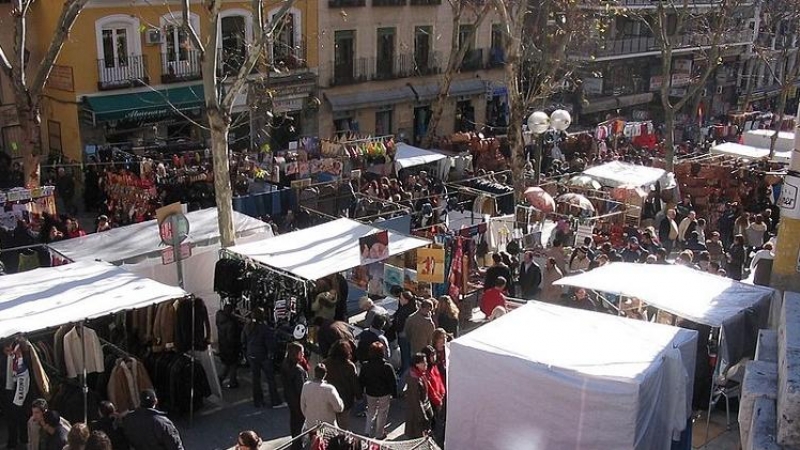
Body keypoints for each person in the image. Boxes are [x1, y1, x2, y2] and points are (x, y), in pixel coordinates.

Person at [241, 308, 283, 408]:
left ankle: (258, 401)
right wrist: (272, 354)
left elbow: (243, 340)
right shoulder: (264, 328)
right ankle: (275, 401)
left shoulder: (247, 327)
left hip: (251, 354)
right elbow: (270, 344)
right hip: (263, 355)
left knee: (256, 379)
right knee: (270, 379)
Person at [359, 342, 398, 439]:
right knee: (382, 412)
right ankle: (379, 433)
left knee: (370, 412)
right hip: (384, 393)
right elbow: (393, 382)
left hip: (370, 392)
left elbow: (361, 380)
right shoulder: (387, 367)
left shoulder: (365, 365)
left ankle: (368, 431)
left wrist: (360, 392)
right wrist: (395, 394)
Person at [322, 340, 361, 430]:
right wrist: (359, 396)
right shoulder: (349, 366)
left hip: (329, 399)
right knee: (343, 426)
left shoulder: (325, 363)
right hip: (345, 399)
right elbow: (354, 382)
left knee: (330, 425)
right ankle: (341, 441)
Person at [281, 342, 308, 450]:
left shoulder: (285, 364)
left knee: (294, 420)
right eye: (302, 352)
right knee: (300, 423)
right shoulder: (298, 370)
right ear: (296, 353)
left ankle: (294, 441)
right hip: (298, 400)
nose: (303, 354)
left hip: (289, 397)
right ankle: (298, 444)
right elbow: (301, 389)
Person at [300, 364, 345, 429]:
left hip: (311, 426)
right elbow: (339, 408)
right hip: (328, 426)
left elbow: (303, 406)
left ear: (314, 372)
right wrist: (341, 401)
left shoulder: (306, 386)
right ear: (325, 374)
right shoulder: (329, 389)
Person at [404, 353, 434, 439]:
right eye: (423, 362)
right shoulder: (414, 379)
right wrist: (424, 418)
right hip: (417, 416)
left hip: (422, 410)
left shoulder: (421, 374)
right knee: (418, 437)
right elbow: (416, 401)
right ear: (417, 364)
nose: (426, 364)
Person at [392, 291, 418, 381]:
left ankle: (404, 375)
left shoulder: (405, 312)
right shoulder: (410, 308)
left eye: (402, 298)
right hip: (408, 336)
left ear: (406, 300)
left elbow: (400, 325)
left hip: (404, 336)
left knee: (405, 356)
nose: (400, 300)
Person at [215, 304, 242, 389]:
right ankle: (232, 382)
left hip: (223, 345)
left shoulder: (220, 320)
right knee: (233, 365)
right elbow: (231, 338)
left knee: (227, 364)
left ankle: (221, 379)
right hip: (231, 347)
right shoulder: (230, 323)